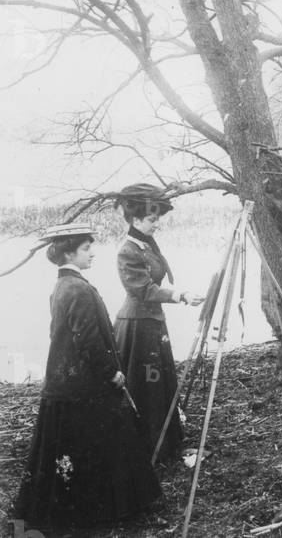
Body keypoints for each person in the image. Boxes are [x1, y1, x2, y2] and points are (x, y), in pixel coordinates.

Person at [15, 223, 162, 529]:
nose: (92, 253)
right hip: (84, 384)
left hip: (66, 381)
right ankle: (106, 508)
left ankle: (82, 507)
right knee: (104, 438)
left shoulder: (63, 285)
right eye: (86, 248)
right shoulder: (77, 288)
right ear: (69, 253)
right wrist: (112, 372)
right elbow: (88, 340)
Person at [113, 183, 203, 464]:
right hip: (138, 328)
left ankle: (165, 443)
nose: (157, 224)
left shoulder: (145, 244)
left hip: (152, 323)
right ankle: (149, 446)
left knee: (158, 381)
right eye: (152, 219)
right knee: (148, 382)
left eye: (157, 218)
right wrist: (181, 295)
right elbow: (143, 290)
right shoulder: (128, 251)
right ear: (135, 219)